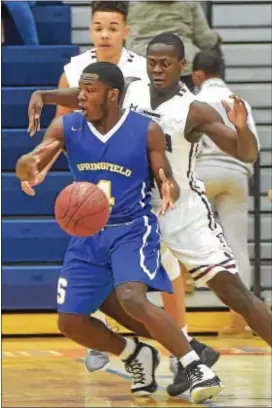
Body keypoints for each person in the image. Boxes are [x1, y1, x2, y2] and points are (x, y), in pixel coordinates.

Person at [25, 33, 271, 397]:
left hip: (183, 211)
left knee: (235, 295)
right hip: (134, 210)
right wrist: (45, 96)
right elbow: (85, 94)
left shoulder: (195, 109)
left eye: (165, 63)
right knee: (118, 298)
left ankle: (189, 353)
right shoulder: (133, 90)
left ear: (181, 67)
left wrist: (240, 130)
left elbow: (244, 153)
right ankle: (187, 351)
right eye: (152, 62)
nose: (157, 69)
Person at [24, 0, 219, 377]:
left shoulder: (139, 71)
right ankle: (120, 343)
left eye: (113, 27)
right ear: (91, 29)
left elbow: (151, 119)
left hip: (139, 190)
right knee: (103, 290)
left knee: (161, 269)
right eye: (98, 26)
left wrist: (165, 180)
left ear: (126, 30)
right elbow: (65, 122)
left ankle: (184, 347)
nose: (105, 34)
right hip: (94, 191)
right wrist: (40, 162)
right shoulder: (75, 69)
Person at [192, 50, 260, 337]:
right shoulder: (239, 101)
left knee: (184, 231)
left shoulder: (194, 100)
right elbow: (252, 146)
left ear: (197, 75)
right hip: (237, 173)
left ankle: (184, 281)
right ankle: (239, 319)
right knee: (237, 246)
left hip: (204, 170)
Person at [127, 1, 224, 91]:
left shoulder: (131, 3)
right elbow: (204, 40)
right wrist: (217, 38)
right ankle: (219, 92)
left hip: (142, 64)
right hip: (180, 68)